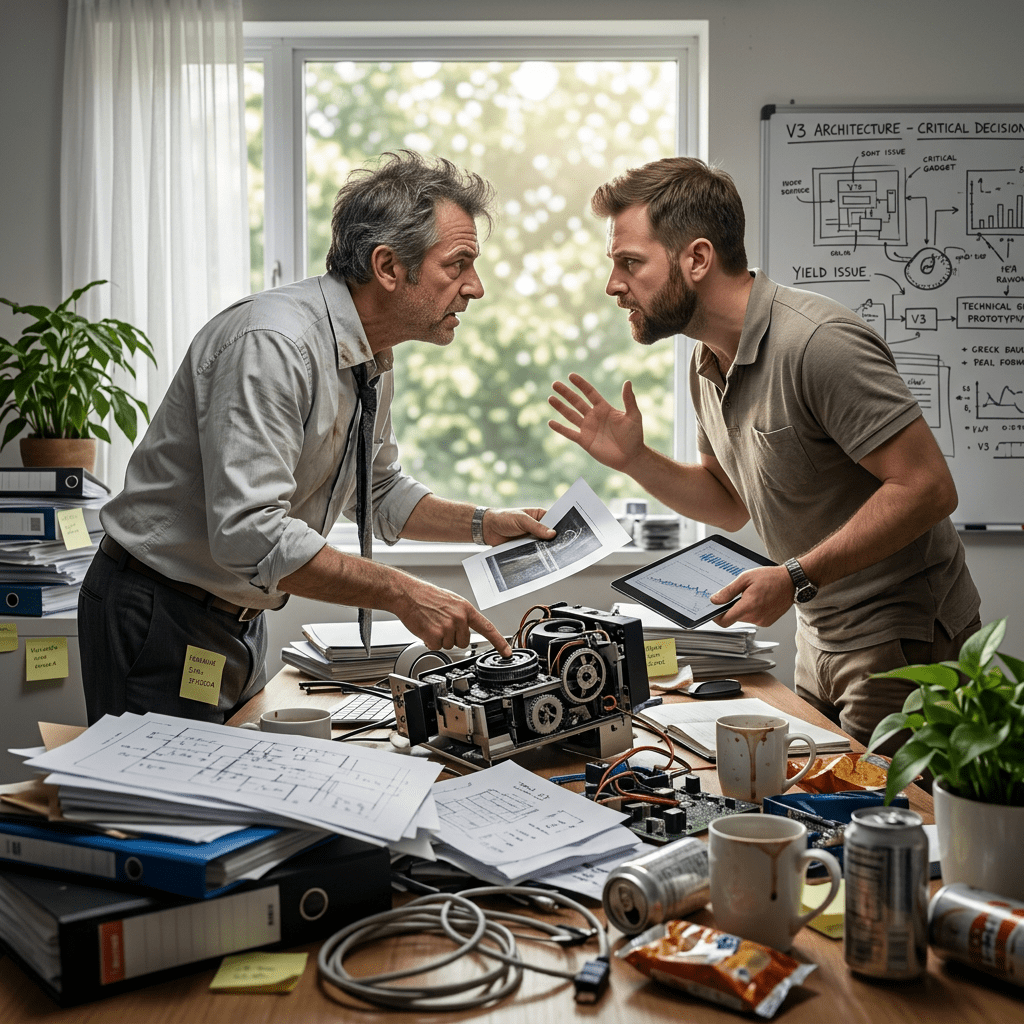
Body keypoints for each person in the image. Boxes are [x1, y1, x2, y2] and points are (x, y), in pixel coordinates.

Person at [79, 151, 554, 725]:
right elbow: (250, 535)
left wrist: (483, 524)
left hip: (236, 617)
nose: (474, 288)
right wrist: (404, 594)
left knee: (227, 787)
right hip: (160, 610)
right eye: (458, 265)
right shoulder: (274, 344)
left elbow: (376, 490)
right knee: (163, 809)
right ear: (388, 267)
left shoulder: (369, 352)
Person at [548, 156, 980, 750]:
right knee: (813, 811)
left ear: (697, 259)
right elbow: (728, 504)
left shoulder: (818, 344)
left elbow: (928, 488)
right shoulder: (707, 361)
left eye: (630, 263)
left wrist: (795, 575)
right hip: (819, 633)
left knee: (878, 825)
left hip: (900, 635)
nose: (613, 284)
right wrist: (635, 460)